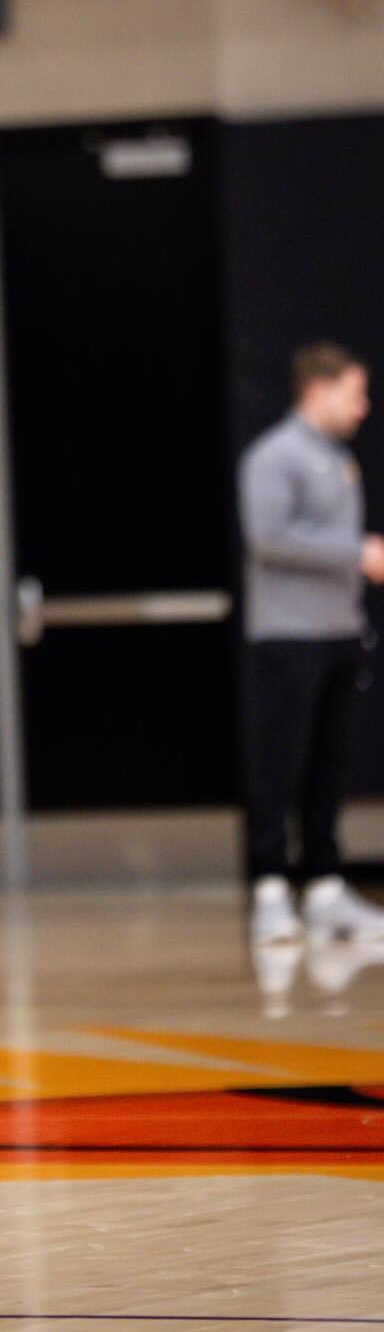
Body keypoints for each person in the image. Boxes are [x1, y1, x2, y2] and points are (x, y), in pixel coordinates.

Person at [239, 341, 384, 946]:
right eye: (355, 394)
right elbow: (268, 538)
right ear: (318, 391)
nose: (364, 407)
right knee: (279, 765)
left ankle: (325, 887)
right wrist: (357, 553)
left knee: (330, 765)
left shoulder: (336, 457)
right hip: (287, 637)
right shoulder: (275, 455)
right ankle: (271, 889)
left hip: (338, 633)